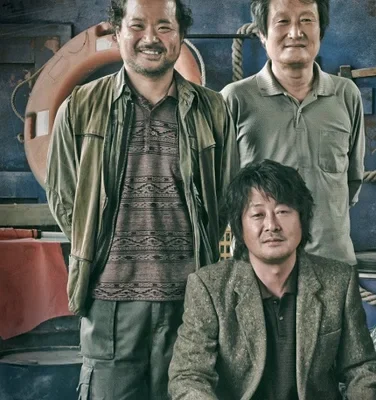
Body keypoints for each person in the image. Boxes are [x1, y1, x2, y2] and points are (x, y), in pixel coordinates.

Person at [45, 0, 237, 397]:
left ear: (180, 35)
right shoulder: (80, 107)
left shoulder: (212, 109)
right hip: (108, 306)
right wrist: (98, 248)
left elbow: (226, 199)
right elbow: (64, 199)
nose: (151, 37)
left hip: (191, 304)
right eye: (137, 26)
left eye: (164, 26)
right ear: (117, 32)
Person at [168, 160, 376, 399]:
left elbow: (361, 369)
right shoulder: (209, 287)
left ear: (302, 218)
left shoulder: (338, 281)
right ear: (240, 226)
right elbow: (189, 376)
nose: (272, 225)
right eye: (258, 214)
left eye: (282, 211)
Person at [221, 0, 365, 265]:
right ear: (262, 34)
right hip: (259, 268)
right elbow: (225, 190)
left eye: (307, 20)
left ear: (321, 30)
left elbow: (352, 181)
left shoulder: (346, 95)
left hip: (333, 264)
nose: (296, 32)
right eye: (283, 21)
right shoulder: (235, 99)